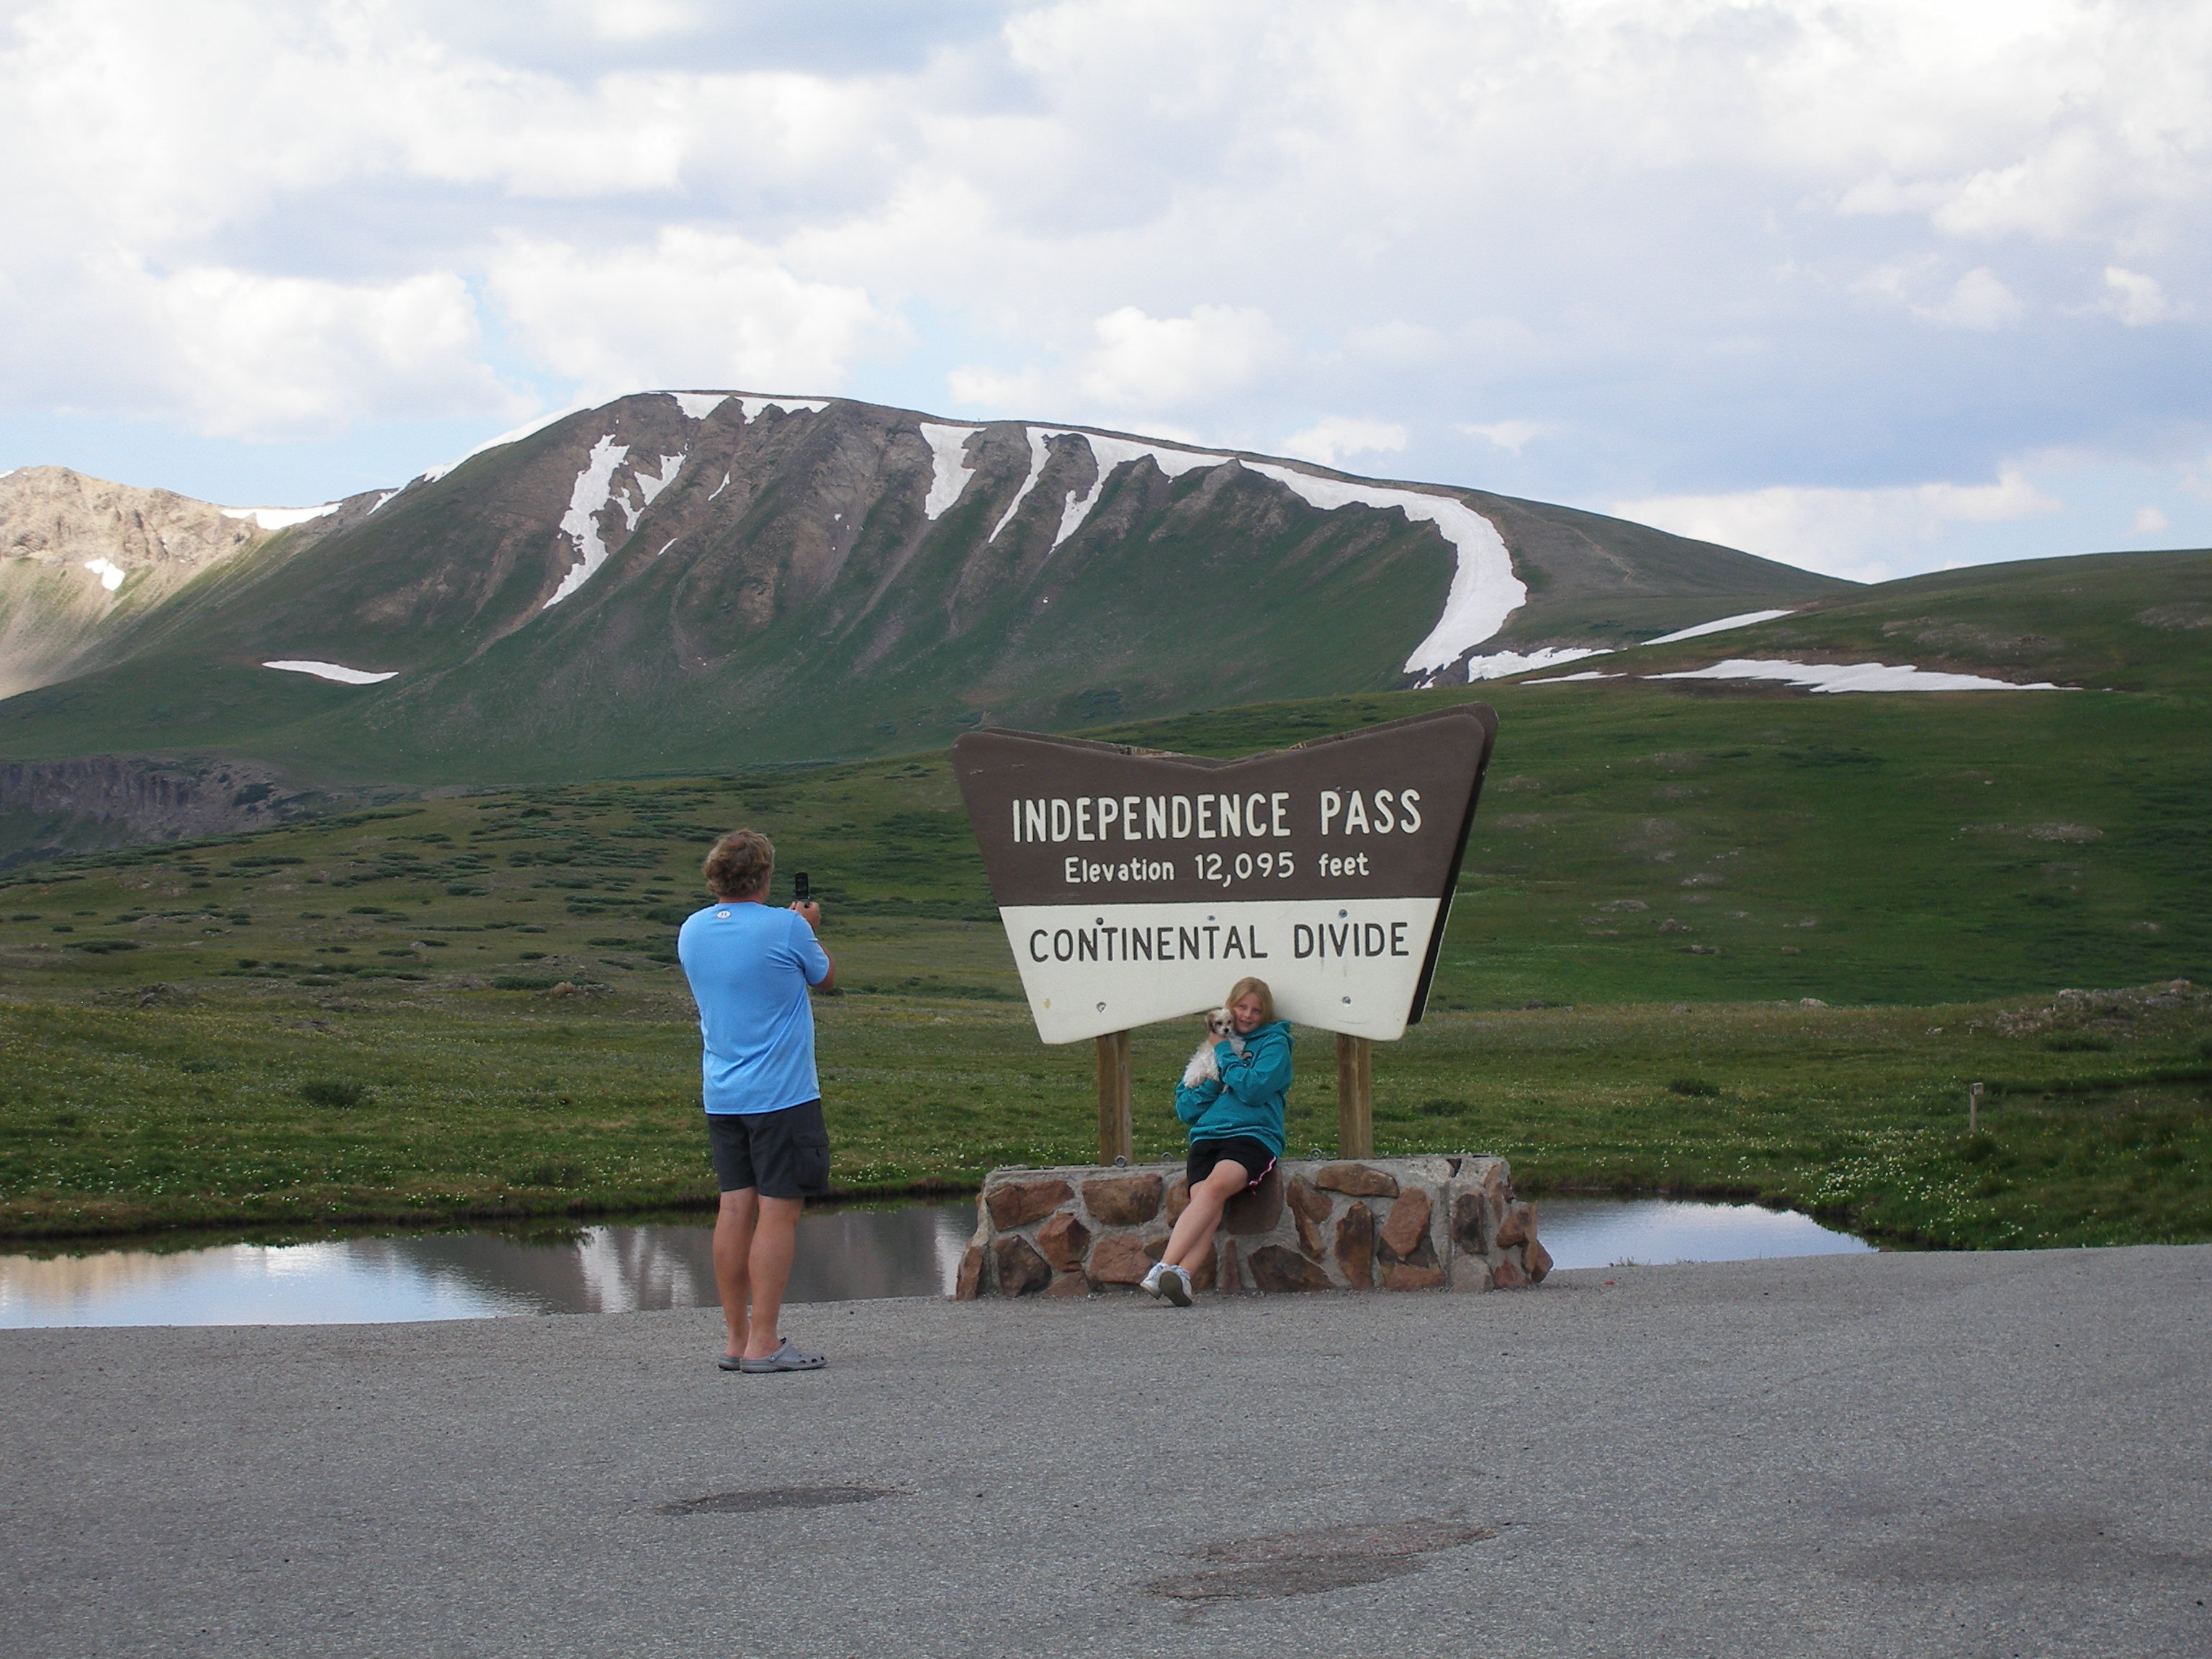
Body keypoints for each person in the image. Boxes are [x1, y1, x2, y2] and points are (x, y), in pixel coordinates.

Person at [676, 829, 837, 1374]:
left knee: (734, 1206)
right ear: (764, 876)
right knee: (778, 1210)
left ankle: (736, 1338)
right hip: (783, 1095)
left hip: (722, 1094)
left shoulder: (692, 930)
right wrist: (807, 927)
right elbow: (826, 978)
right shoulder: (789, 927)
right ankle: (765, 1341)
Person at [1143, 977, 1292, 1307]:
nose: (1247, 1015)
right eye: (1241, 1007)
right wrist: (1213, 1083)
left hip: (1251, 1135)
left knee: (1212, 1191)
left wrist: (1223, 1052)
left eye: (1256, 1010)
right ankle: (1182, 1278)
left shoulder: (1274, 1044)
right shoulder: (1209, 1049)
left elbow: (1254, 1089)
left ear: (1266, 1013)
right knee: (1205, 1206)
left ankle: (1163, 1267)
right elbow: (1186, 1108)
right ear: (1230, 1007)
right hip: (1206, 1137)